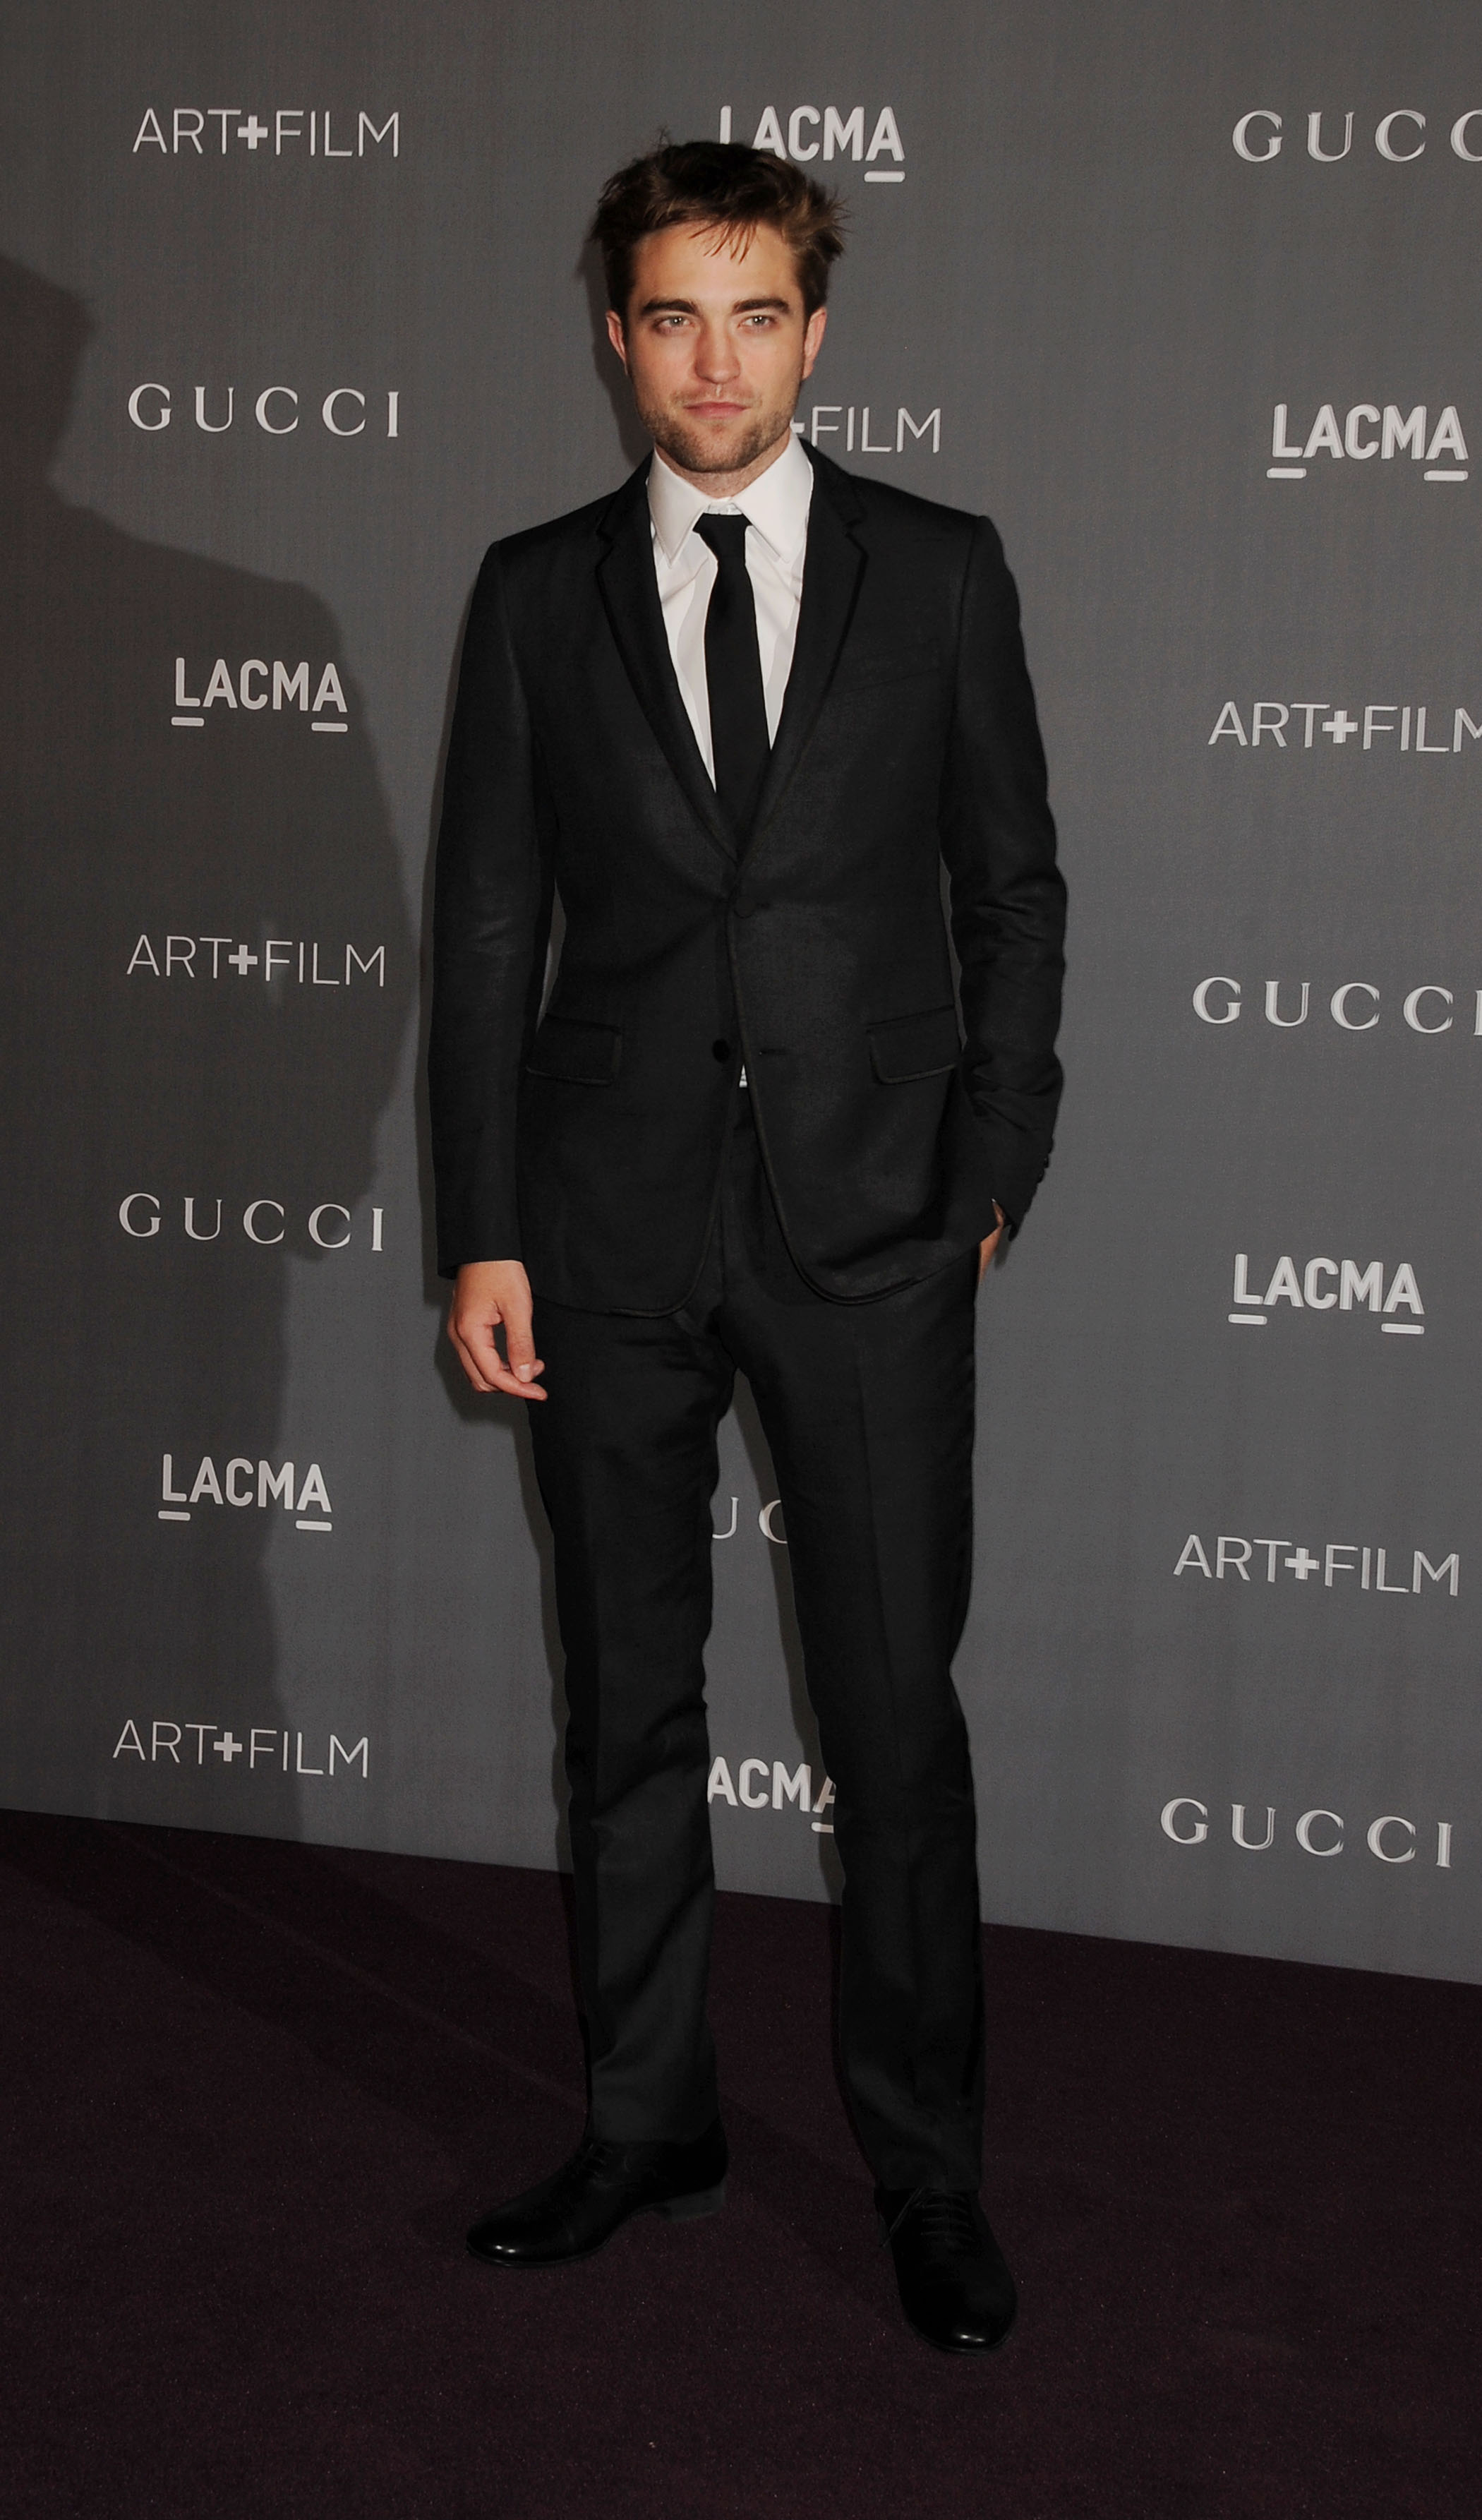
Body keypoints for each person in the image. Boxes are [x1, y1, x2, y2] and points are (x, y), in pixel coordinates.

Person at [428, 140, 1065, 2355]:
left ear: (816, 330)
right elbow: (488, 924)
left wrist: (991, 1167)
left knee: (890, 1722)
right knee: (626, 1705)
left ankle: (924, 2169)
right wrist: (482, 1228)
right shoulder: (534, 590)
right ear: (617, 336)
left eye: (757, 315)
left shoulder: (940, 568)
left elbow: (1011, 886)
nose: (716, 363)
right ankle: (646, 2122)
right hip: (600, 1229)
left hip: (872, 1220)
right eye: (674, 318)